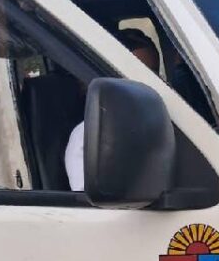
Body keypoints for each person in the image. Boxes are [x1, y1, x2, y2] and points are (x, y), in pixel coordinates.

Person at [64, 29, 161, 192]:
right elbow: (98, 206)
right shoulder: (88, 136)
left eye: (153, 74)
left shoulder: (166, 119)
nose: (147, 85)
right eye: (135, 76)